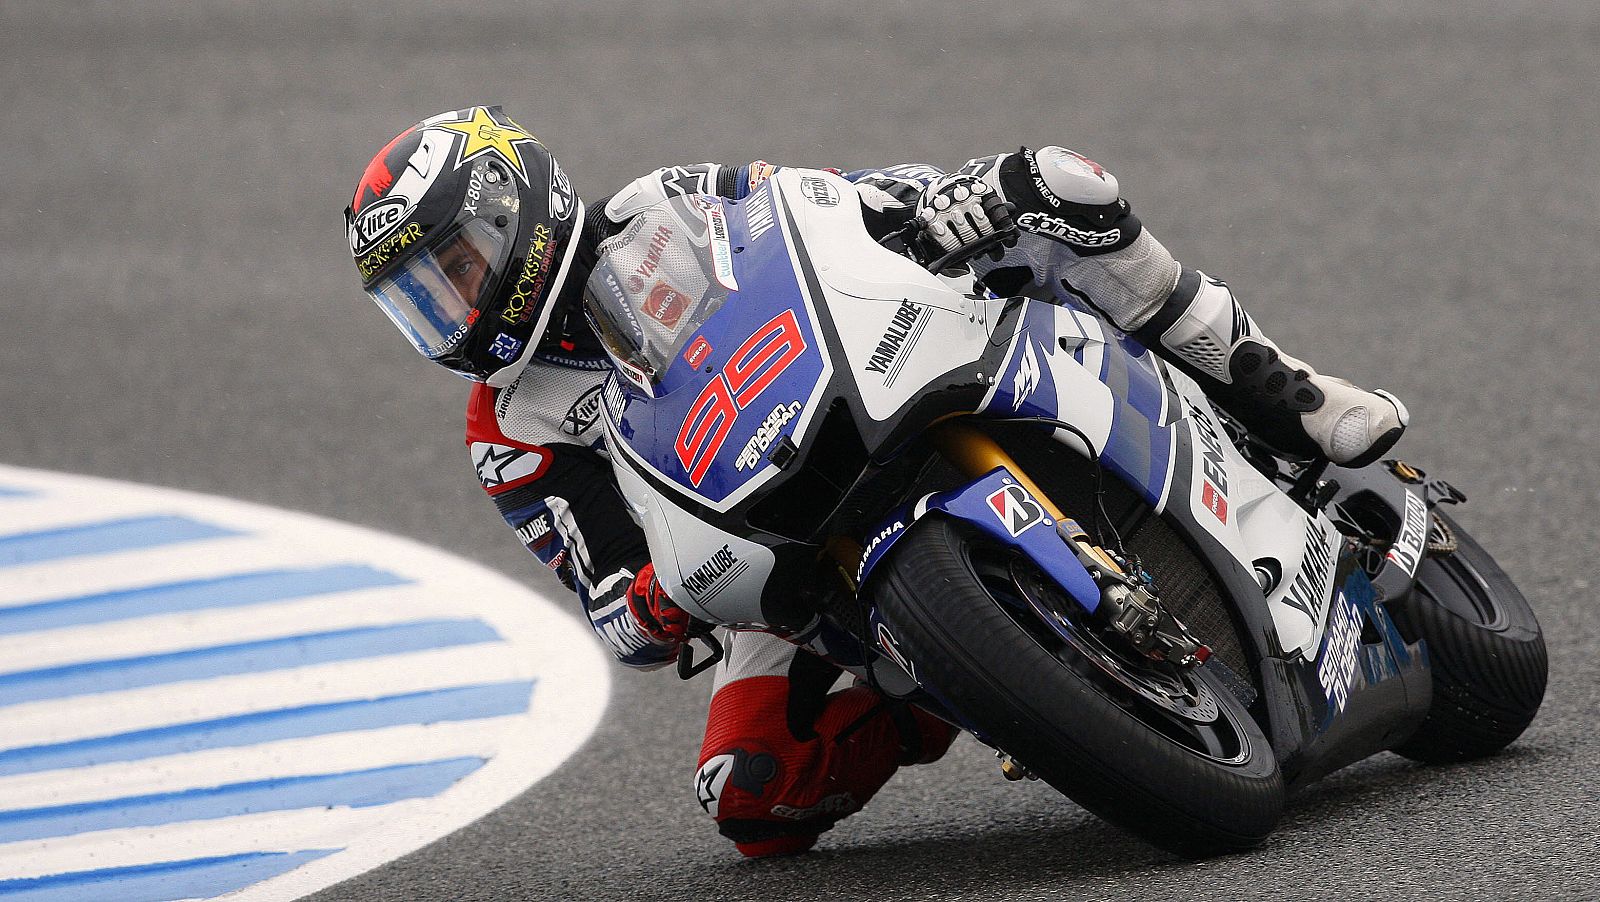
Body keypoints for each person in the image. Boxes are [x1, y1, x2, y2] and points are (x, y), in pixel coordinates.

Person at [344, 106, 1407, 857]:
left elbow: (822, 214)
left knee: (1054, 192)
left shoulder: (663, 203)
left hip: (856, 385)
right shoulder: (510, 429)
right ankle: (980, 684)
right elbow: (608, 598)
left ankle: (1278, 386)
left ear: (513, 207)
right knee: (749, 800)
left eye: (457, 268)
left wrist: (926, 208)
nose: (454, 310)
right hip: (746, 537)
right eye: (421, 303)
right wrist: (652, 605)